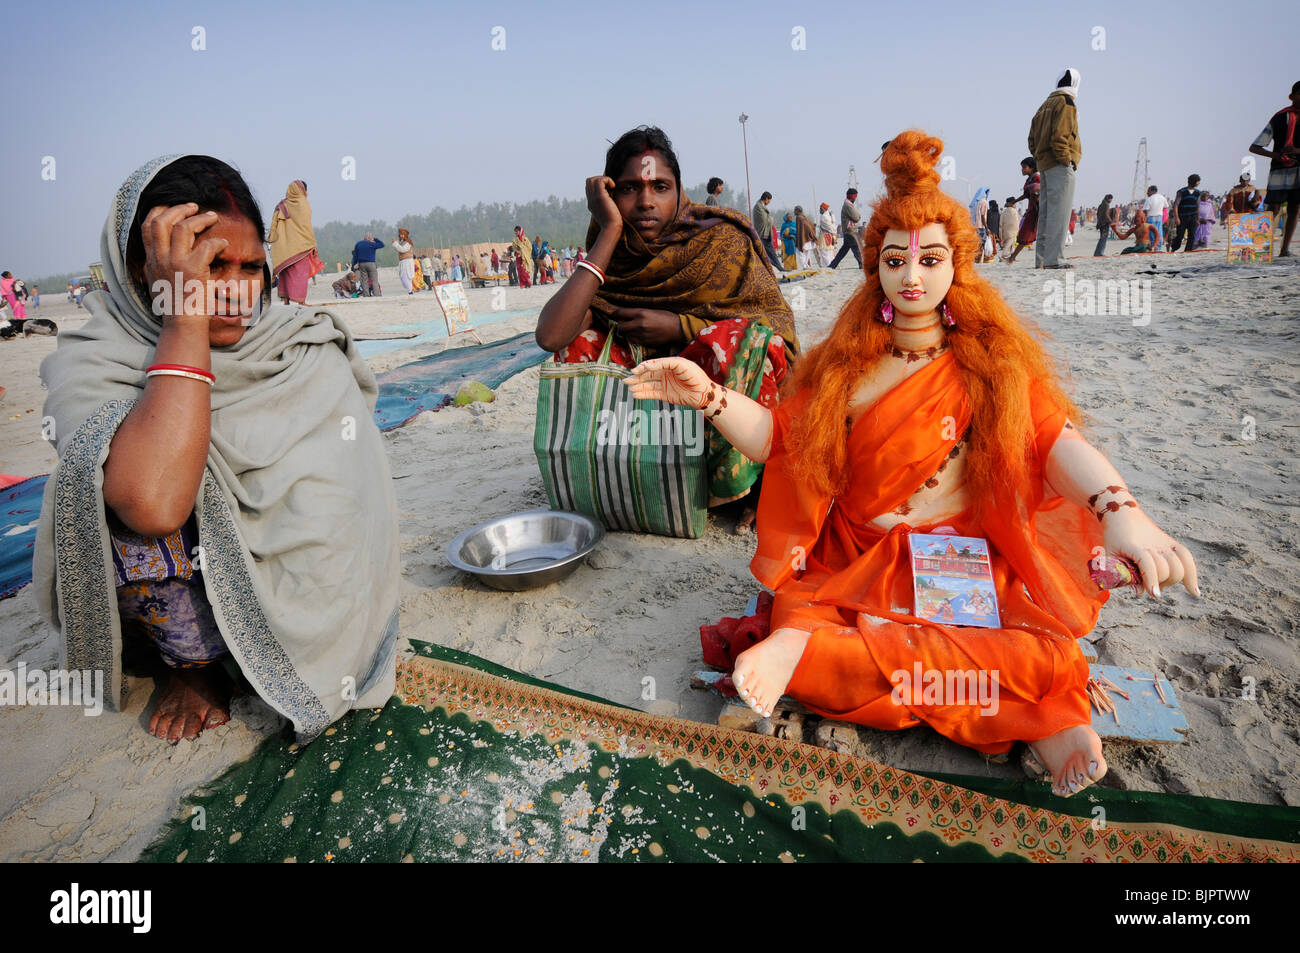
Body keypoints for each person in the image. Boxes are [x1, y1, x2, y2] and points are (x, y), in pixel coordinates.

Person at [626, 130, 1199, 798]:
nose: (913, 276)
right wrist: (712, 395)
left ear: (958, 264)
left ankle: (1041, 716)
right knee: (798, 622)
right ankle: (821, 654)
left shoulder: (991, 368)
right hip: (855, 560)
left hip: (961, 568)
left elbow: (1056, 441)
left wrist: (1123, 515)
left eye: (930, 258)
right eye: (896, 260)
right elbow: (780, 442)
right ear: (878, 269)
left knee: (1047, 656)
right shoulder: (848, 370)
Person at [34, 155, 399, 744]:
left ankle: (271, 655)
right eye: (208, 266)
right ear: (139, 268)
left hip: (304, 601)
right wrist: (184, 323)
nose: (235, 293)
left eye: (251, 268)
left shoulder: (299, 347)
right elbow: (152, 504)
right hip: (186, 607)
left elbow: (345, 515)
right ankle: (195, 667)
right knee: (107, 470)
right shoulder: (97, 356)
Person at [534, 125, 799, 530]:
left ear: (679, 191)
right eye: (627, 189)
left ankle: (751, 486)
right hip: (646, 420)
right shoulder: (614, 252)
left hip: (709, 400)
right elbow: (551, 336)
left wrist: (681, 326)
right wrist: (608, 232)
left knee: (738, 341)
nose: (645, 202)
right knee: (579, 343)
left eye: (660, 187)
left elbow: (773, 325)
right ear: (607, 195)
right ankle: (625, 476)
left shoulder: (720, 241)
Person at [1028, 68, 1081, 269]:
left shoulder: (1043, 106)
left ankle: (1041, 261)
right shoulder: (1066, 103)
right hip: (1059, 165)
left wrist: (1040, 158)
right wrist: (1065, 160)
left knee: (1046, 215)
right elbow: (1060, 136)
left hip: (1045, 165)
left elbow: (1031, 140)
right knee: (1059, 215)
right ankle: (1054, 260)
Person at [1249, 80, 1300, 257]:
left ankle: (1284, 250)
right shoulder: (1279, 117)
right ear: (1291, 96)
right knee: (1273, 208)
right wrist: (1277, 156)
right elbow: (1255, 146)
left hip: (1298, 169)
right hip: (1279, 169)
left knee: (1295, 208)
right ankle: (1261, 247)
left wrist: (1297, 150)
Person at [268, 180, 318, 305]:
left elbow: (274, 225)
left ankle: (286, 300)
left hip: (283, 245)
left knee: (285, 273)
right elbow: (306, 226)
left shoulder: (282, 204)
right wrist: (313, 244)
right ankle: (301, 301)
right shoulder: (303, 204)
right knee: (300, 274)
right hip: (300, 244)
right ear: (302, 190)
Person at [1005, 158, 1041, 264]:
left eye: (1024, 167)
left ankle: (1012, 258)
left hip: (1037, 210)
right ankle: (1012, 258)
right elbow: (1026, 195)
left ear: (1032, 168)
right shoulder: (1029, 179)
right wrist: (1014, 202)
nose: (1022, 170)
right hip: (1031, 209)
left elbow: (1039, 191)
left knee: (1028, 233)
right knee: (1024, 234)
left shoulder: (1037, 177)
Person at [828, 188, 863, 270]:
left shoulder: (847, 204)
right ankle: (862, 264)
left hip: (848, 231)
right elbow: (857, 217)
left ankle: (832, 265)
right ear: (852, 197)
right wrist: (858, 215)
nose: (855, 199)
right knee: (856, 248)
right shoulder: (848, 205)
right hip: (850, 231)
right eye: (855, 197)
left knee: (843, 251)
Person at [751, 191, 783, 270]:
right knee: (762, 254)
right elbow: (764, 220)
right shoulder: (758, 207)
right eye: (769, 200)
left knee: (772, 253)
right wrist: (771, 219)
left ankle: (779, 267)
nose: (769, 202)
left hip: (767, 235)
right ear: (766, 199)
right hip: (761, 234)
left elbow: (766, 218)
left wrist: (770, 219)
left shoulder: (762, 206)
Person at [795, 205, 820, 270]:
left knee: (801, 253)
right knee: (807, 253)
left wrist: (802, 237)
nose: (794, 212)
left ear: (798, 211)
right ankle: (806, 265)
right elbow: (810, 225)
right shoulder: (804, 217)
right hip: (808, 238)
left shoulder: (799, 218)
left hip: (804, 238)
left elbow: (805, 228)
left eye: (795, 210)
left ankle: (805, 266)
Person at [969, 187, 989, 260]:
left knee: (977, 242)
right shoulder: (984, 202)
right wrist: (986, 228)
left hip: (974, 225)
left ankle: (976, 257)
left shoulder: (975, 202)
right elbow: (983, 216)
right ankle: (979, 257)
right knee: (982, 243)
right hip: (981, 226)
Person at [394, 228, 416, 293]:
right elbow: (398, 249)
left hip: (407, 262)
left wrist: (395, 243)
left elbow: (402, 249)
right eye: (400, 234)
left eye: (402, 234)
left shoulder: (408, 243)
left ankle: (410, 291)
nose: (400, 236)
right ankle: (410, 290)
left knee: (406, 276)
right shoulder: (402, 242)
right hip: (403, 262)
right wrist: (396, 243)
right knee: (403, 277)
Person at [998, 196, 1020, 261]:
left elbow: (1000, 224)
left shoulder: (1003, 212)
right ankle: (1003, 256)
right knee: (1009, 244)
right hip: (1013, 231)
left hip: (1005, 231)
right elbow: (1016, 222)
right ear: (1013, 204)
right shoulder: (1014, 211)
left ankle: (1012, 257)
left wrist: (1001, 235)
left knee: (1011, 244)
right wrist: (1017, 230)